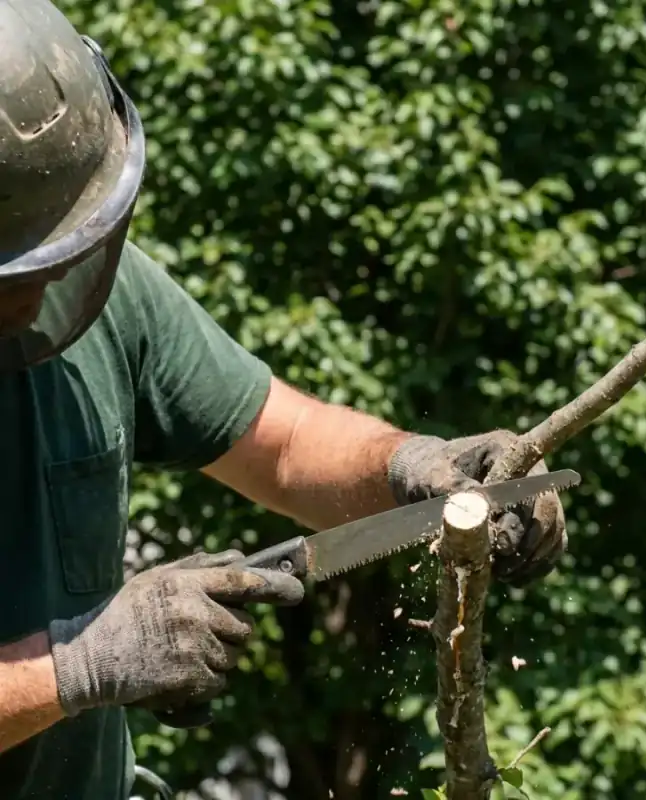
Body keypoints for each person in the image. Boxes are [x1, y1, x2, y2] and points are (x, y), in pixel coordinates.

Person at [0, 1, 568, 798]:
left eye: (60, 257)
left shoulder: (87, 278)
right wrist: (78, 667)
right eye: (13, 277)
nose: (40, 296)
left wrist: (414, 469)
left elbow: (284, 443)